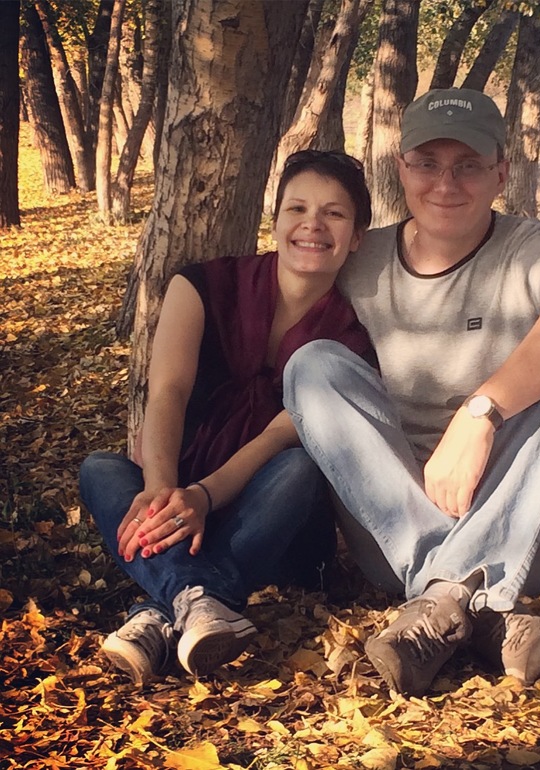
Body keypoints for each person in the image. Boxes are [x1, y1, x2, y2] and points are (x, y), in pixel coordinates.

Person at [283, 88, 540, 697]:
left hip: (533, 535)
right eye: (427, 163)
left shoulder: (533, 248)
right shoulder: (362, 257)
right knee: (312, 365)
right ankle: (479, 606)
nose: (446, 183)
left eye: (468, 164)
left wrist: (481, 413)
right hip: (395, 532)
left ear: (501, 172)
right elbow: (262, 309)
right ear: (401, 168)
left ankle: (443, 597)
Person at [79, 150, 372, 685]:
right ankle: (199, 600)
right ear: (275, 219)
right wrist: (162, 490)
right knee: (100, 469)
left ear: (356, 237)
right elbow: (167, 391)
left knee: (300, 467)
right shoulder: (201, 286)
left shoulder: (351, 336)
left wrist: (202, 497)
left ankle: (159, 611)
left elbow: (277, 438)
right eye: (297, 208)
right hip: (180, 483)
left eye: (334, 213)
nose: (312, 224)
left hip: (269, 512)